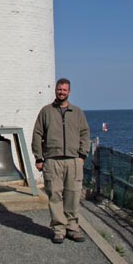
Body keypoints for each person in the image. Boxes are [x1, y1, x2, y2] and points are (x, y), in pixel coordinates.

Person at [32, 78, 90, 244]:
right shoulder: (46, 111)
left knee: (73, 194)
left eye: (64, 90)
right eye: (59, 89)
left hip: (73, 160)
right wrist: (39, 157)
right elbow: (37, 134)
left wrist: (82, 156)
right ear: (55, 90)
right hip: (52, 160)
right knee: (55, 195)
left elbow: (85, 133)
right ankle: (59, 229)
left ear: (69, 92)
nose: (62, 92)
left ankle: (72, 228)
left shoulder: (77, 112)